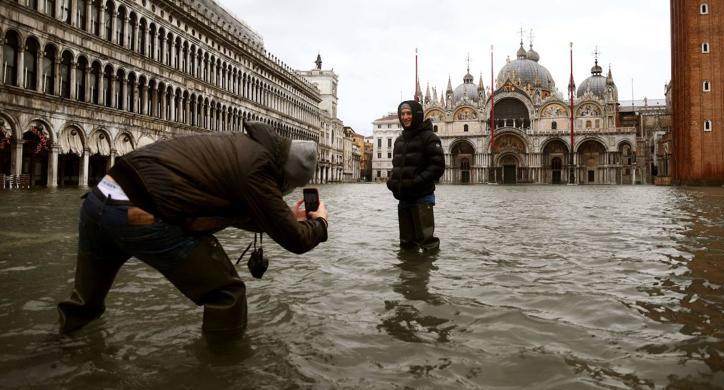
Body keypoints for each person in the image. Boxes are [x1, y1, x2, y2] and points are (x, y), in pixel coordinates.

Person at [57, 122, 328, 341]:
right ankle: (224, 372)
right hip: (138, 215)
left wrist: (284, 217)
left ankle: (58, 355)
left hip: (98, 203)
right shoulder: (258, 169)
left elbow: (228, 210)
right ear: (284, 175)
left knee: (84, 306)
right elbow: (296, 241)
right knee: (227, 292)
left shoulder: (240, 146)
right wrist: (320, 223)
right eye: (285, 187)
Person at [386, 100, 445, 252]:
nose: (405, 117)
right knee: (406, 245)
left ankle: (426, 274)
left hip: (422, 198)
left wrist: (416, 182)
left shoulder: (429, 137)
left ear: (417, 115)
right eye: (402, 114)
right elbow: (396, 166)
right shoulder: (399, 140)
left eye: (409, 113)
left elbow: (437, 167)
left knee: (427, 244)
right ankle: (409, 275)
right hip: (404, 198)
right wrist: (391, 182)